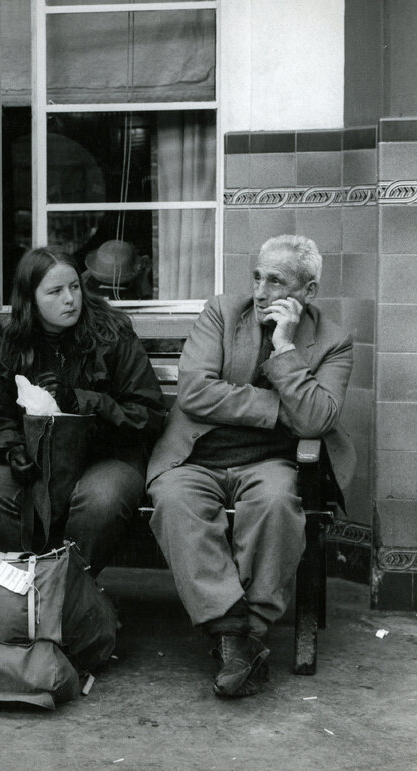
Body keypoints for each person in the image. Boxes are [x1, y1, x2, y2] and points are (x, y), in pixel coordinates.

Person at [147, 234, 354, 698]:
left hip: (271, 462)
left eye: (276, 281)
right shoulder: (223, 311)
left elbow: (317, 419)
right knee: (174, 500)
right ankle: (236, 635)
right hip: (196, 456)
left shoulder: (333, 341)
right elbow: (195, 392)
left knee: (277, 503)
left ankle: (241, 637)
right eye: (257, 277)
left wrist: (284, 349)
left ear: (308, 291)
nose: (260, 292)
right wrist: (279, 409)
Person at [0, 245, 165, 573]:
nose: (70, 299)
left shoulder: (111, 332)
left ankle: (69, 588)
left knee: (100, 499)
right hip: (39, 461)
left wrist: (82, 400)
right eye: (55, 291)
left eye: (74, 287)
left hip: (107, 457)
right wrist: (12, 449)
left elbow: (148, 414)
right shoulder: (14, 341)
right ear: (30, 299)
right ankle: (21, 588)